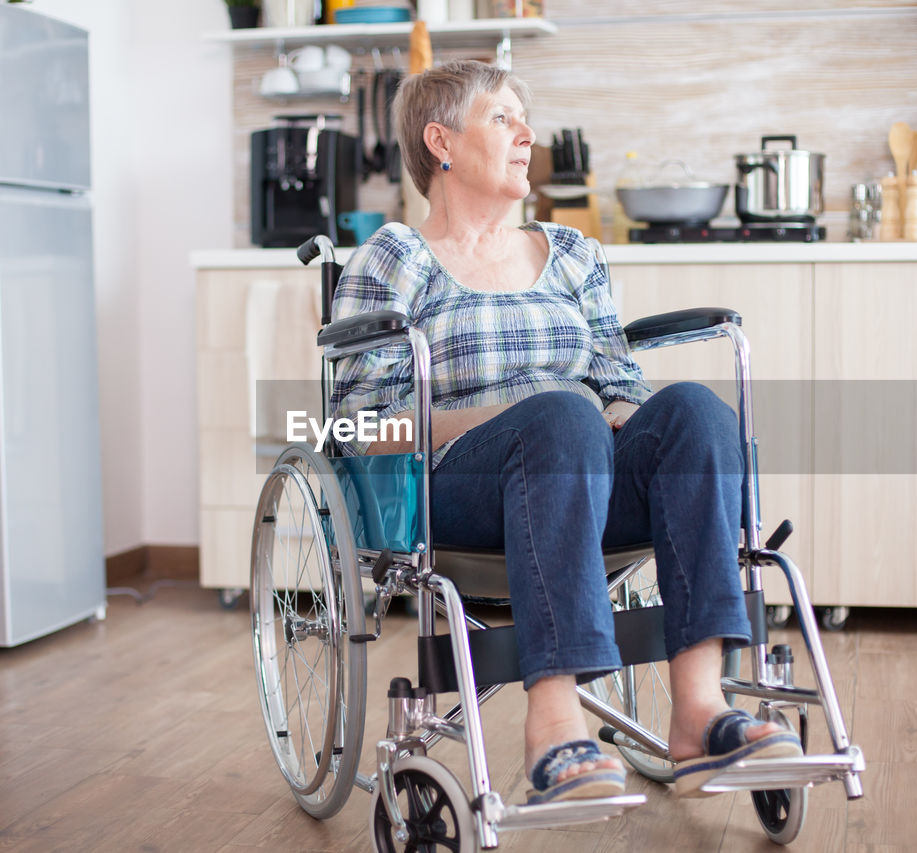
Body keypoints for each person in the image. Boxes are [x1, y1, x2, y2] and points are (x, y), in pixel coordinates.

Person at [329, 59, 802, 803]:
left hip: (581, 469)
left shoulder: (573, 253)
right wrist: (515, 417)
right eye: (503, 118)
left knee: (696, 413)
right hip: (460, 488)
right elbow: (359, 429)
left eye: (525, 117)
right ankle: (553, 721)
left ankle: (701, 710)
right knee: (561, 417)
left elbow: (618, 387)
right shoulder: (396, 258)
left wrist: (673, 449)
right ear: (440, 141)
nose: (528, 134)